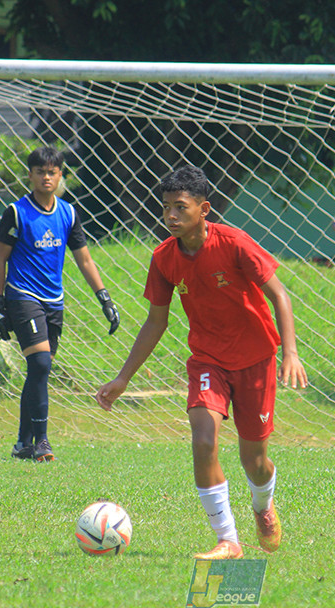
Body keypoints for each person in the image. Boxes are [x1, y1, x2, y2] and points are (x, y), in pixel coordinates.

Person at [95, 165, 308, 560]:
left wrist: (290, 353)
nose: (171, 216)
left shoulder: (235, 243)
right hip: (208, 361)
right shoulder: (163, 259)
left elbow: (280, 295)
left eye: (180, 207)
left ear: (204, 209)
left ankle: (262, 507)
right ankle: (228, 540)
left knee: (255, 461)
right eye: (165, 208)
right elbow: (156, 321)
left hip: (256, 360)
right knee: (204, 439)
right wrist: (123, 378)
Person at [0, 146, 120, 462]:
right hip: (22, 296)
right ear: (30, 175)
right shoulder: (16, 212)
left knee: (38, 372)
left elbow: (84, 258)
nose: (46, 177)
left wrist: (105, 299)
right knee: (41, 364)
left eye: (52, 172)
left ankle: (22, 443)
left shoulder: (68, 213)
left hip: (54, 301)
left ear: (61, 175)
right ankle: (42, 442)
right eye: (40, 172)